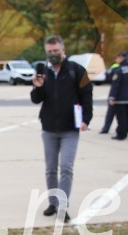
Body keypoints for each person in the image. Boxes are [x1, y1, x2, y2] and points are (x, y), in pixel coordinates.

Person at [30, 35, 93, 222]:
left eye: (56, 51)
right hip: (49, 128)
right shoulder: (45, 72)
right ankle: (52, 202)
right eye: (49, 52)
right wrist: (38, 87)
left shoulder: (76, 70)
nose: (53, 54)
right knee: (50, 169)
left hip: (70, 129)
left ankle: (63, 206)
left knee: (66, 167)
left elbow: (87, 96)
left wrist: (86, 120)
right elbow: (36, 99)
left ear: (63, 50)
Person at [107, 52, 128, 140]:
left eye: (116, 58)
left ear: (121, 58)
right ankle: (126, 131)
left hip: (120, 97)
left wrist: (112, 97)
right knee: (126, 115)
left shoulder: (119, 69)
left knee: (120, 117)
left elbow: (116, 84)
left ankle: (121, 134)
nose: (115, 60)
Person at [98, 57, 121, 134]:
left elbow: (109, 79)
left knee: (111, 113)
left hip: (115, 94)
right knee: (122, 114)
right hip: (124, 94)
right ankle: (121, 130)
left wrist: (106, 73)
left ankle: (106, 128)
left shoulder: (115, 67)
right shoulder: (125, 66)